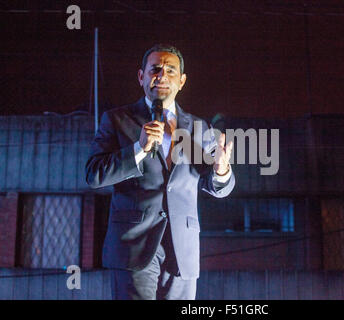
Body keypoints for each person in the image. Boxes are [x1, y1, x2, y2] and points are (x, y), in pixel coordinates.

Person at [85, 44, 235, 300]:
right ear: (141, 76)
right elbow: (94, 175)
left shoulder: (199, 127)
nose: (162, 75)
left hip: (182, 249)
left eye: (170, 70)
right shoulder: (117, 120)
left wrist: (221, 171)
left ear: (182, 81)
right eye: (155, 69)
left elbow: (216, 187)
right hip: (134, 247)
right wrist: (139, 149)